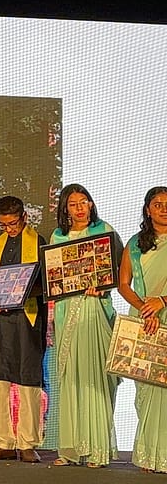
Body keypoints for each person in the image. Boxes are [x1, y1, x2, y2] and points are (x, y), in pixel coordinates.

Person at [48, 184, 120, 468]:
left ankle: (98, 450)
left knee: (95, 378)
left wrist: (102, 288)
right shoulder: (58, 236)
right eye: (73, 203)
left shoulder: (105, 230)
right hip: (68, 309)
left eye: (84, 202)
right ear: (65, 208)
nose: (79, 208)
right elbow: (54, 275)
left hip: (94, 310)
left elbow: (118, 271)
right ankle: (70, 449)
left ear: (91, 204)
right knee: (71, 378)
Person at [0, 196, 46, 463]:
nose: (9, 230)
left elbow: (47, 285)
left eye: (13, 224)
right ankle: (3, 442)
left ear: (24, 218)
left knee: (28, 380)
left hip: (27, 318)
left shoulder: (39, 242)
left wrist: (19, 293)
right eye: (4, 225)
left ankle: (27, 443)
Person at [118, 186, 167, 473]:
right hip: (142, 319)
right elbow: (124, 283)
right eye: (157, 204)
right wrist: (145, 306)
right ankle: (149, 455)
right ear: (147, 209)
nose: (163, 208)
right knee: (146, 390)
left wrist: (161, 301)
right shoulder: (136, 243)